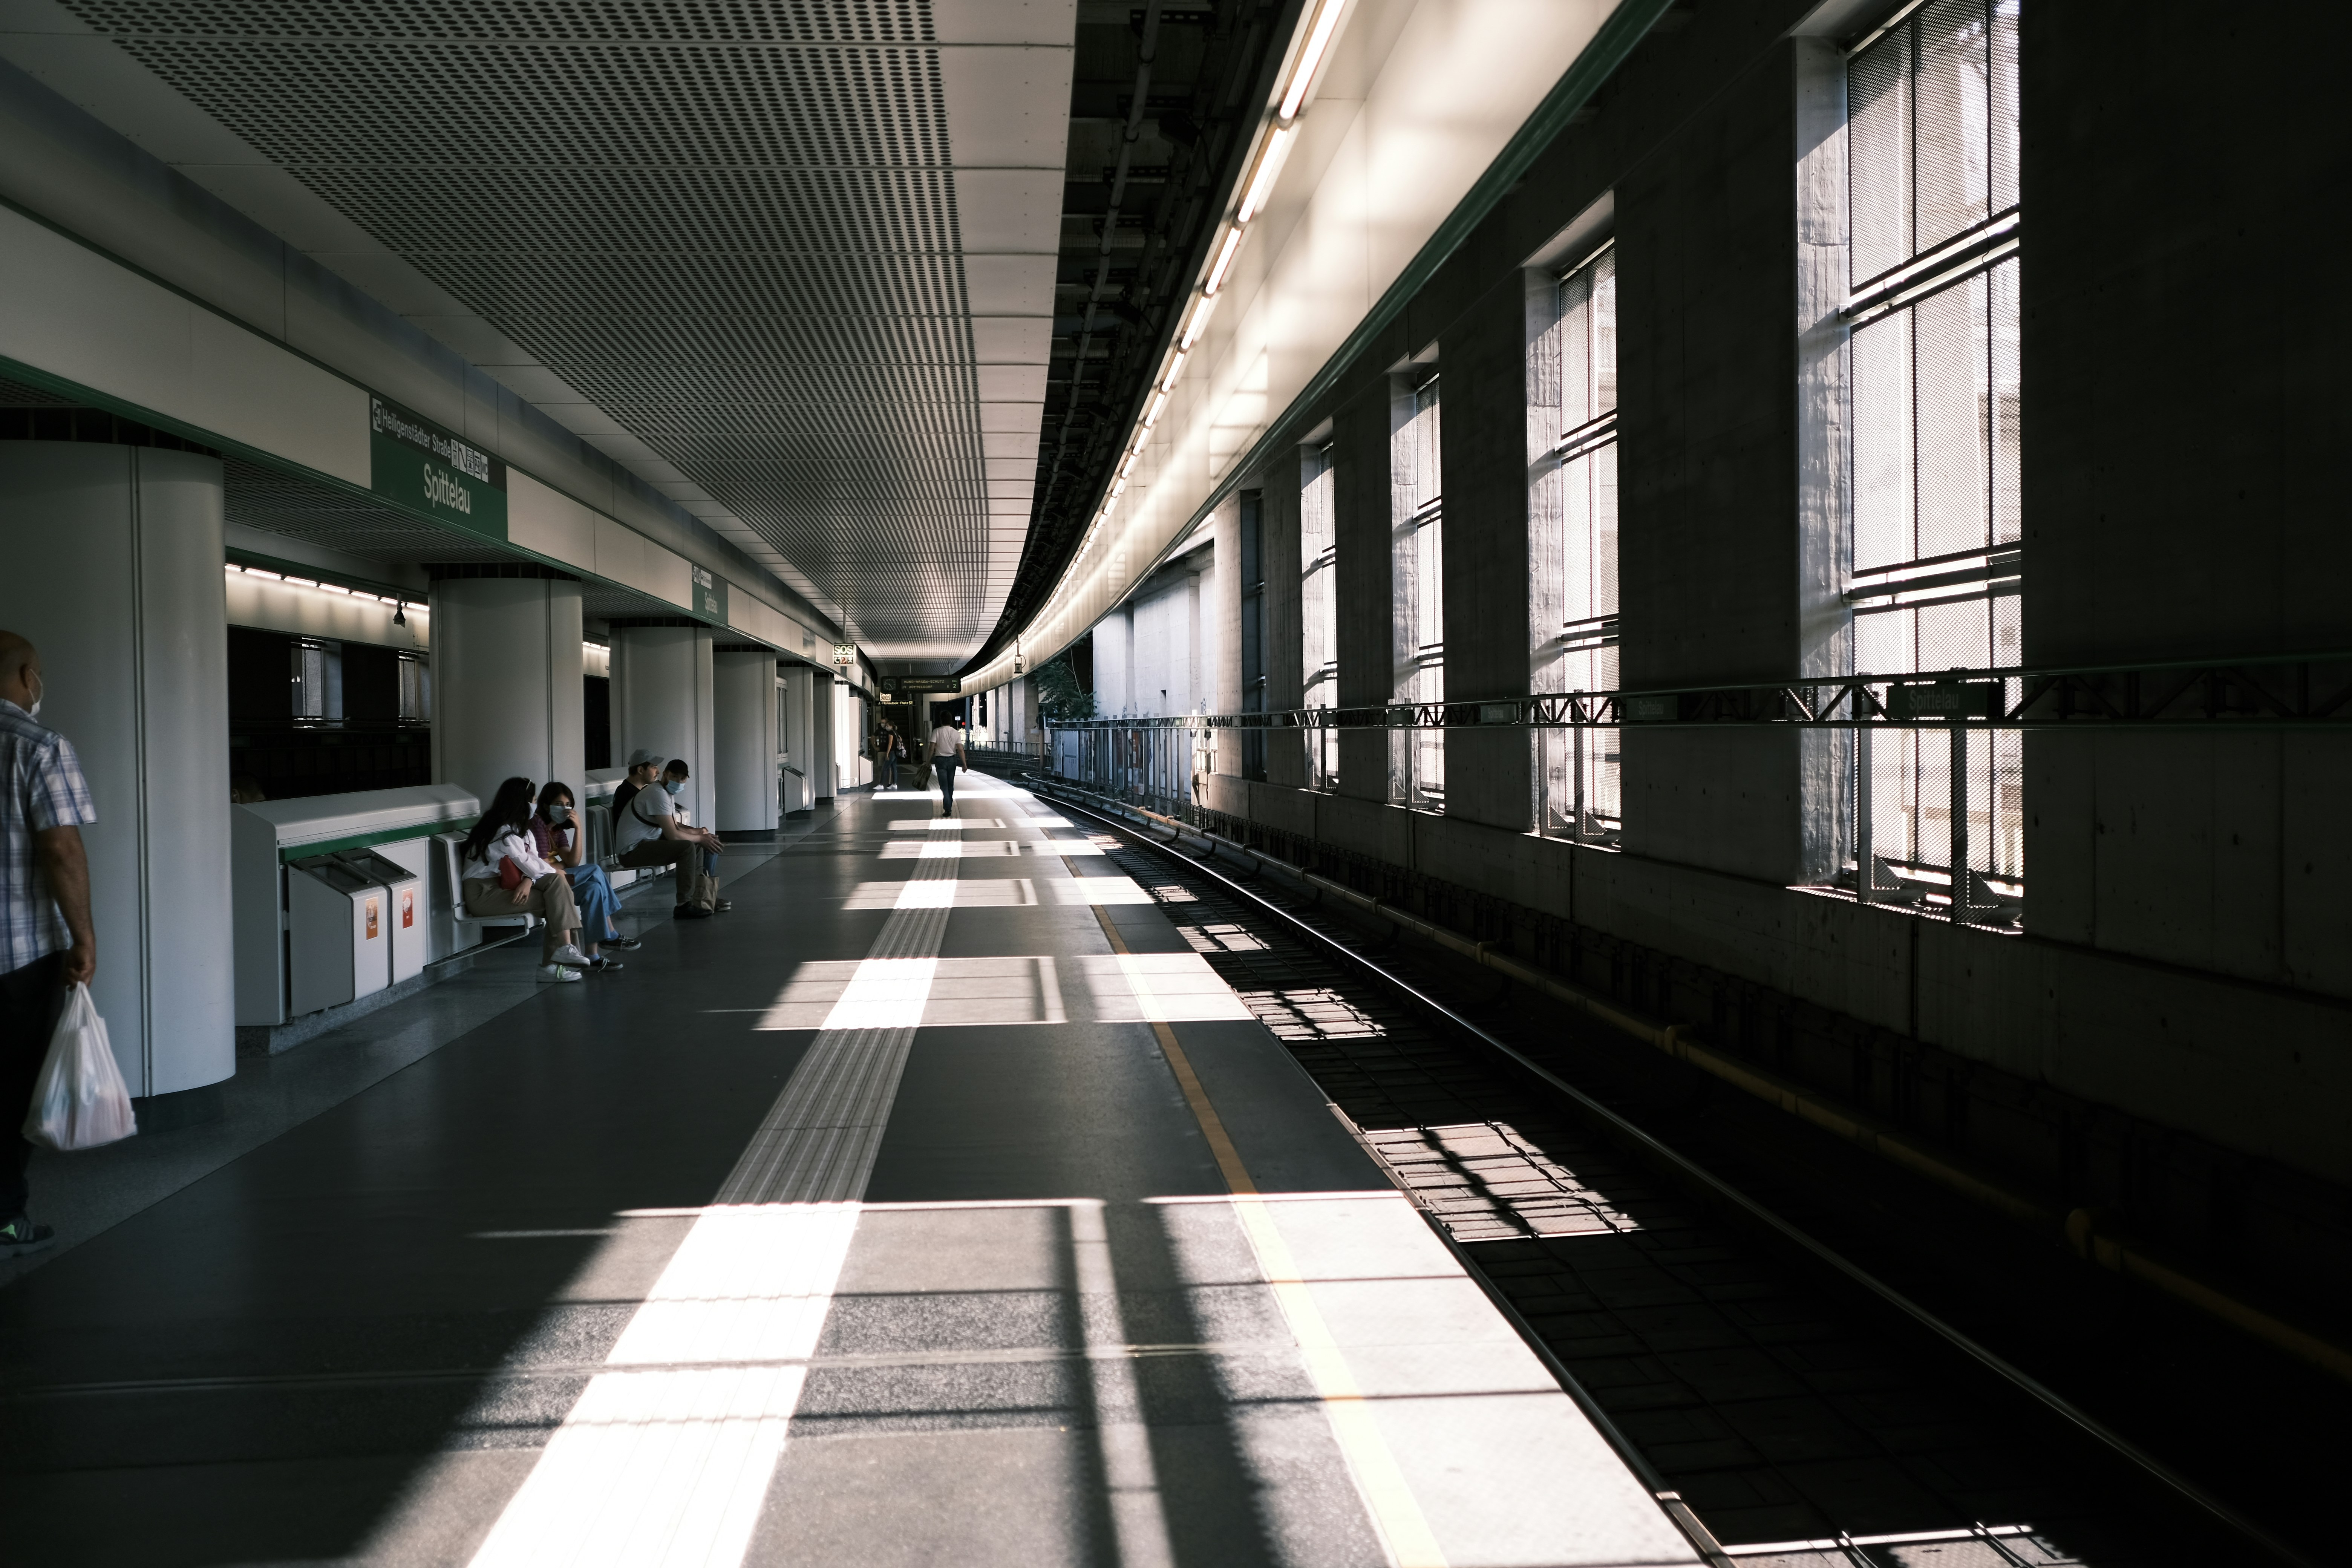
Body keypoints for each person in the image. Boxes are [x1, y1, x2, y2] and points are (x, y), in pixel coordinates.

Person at [0, 632, 95, 1258]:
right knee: (11, 1087)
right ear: (29, 676)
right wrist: (83, 935)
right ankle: (6, 1219)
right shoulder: (38, 746)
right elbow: (60, 849)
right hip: (18, 955)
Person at [459, 777, 595, 983]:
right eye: (533, 800)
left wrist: (535, 878)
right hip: (483, 895)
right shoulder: (503, 832)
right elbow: (529, 864)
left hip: (498, 889)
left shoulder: (518, 829)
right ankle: (557, 960)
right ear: (522, 802)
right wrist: (553, 872)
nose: (535, 806)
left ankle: (564, 954)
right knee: (557, 896)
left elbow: (531, 863)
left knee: (557, 894)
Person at [532, 781, 635, 972]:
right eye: (559, 804)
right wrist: (559, 866)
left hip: (559, 879)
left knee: (593, 889)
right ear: (546, 805)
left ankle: (592, 956)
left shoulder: (557, 830)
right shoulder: (538, 824)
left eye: (567, 804)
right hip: (541, 883)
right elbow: (540, 865)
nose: (564, 809)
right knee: (595, 871)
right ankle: (610, 932)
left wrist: (579, 828)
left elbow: (572, 863)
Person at [613, 749, 727, 919]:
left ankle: (703, 898)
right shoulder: (656, 793)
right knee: (688, 847)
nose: (679, 782)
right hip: (632, 851)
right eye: (675, 777)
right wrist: (700, 837)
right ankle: (684, 905)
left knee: (696, 846)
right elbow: (673, 834)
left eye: (683, 779)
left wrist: (700, 836)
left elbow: (672, 825)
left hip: (644, 844)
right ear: (666, 775)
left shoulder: (664, 793)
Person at [930, 711, 966, 817]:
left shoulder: (937, 732)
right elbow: (960, 750)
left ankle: (948, 808)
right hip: (952, 760)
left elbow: (931, 747)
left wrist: (927, 761)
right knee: (951, 785)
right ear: (951, 720)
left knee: (944, 787)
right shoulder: (956, 733)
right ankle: (949, 806)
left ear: (941, 720)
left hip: (940, 761)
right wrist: (964, 764)